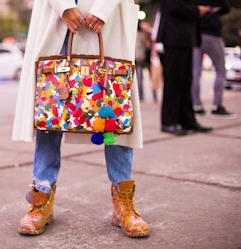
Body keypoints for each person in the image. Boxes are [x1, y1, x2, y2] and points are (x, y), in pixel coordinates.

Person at [12, 0, 149, 238]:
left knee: (113, 108)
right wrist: (63, 5)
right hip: (57, 16)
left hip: (107, 15)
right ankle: (41, 197)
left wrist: (103, 8)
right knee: (51, 110)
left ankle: (123, 202)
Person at [157, 0, 213, 136]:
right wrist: (197, 10)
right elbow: (173, 6)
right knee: (173, 82)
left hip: (186, 36)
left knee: (185, 82)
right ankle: (168, 122)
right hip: (174, 36)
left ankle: (187, 120)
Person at [192, 0, 236, 118]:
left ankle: (196, 105)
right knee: (220, 70)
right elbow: (226, 7)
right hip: (212, 33)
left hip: (195, 33)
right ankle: (217, 106)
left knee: (195, 71)